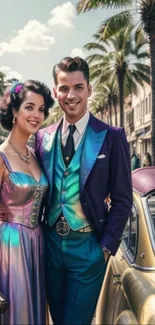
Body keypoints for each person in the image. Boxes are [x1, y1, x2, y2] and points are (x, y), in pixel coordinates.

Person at [35, 57, 132, 325]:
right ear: (55, 92)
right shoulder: (43, 137)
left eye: (78, 87)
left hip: (88, 247)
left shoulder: (111, 136)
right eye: (64, 88)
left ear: (89, 89)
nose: (71, 95)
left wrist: (104, 249)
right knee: (56, 317)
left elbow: (123, 200)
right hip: (51, 245)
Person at [0, 80, 54, 325]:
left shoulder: (35, 155)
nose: (37, 115)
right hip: (9, 247)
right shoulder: (1, 156)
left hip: (37, 243)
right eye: (30, 107)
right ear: (14, 112)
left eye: (41, 109)